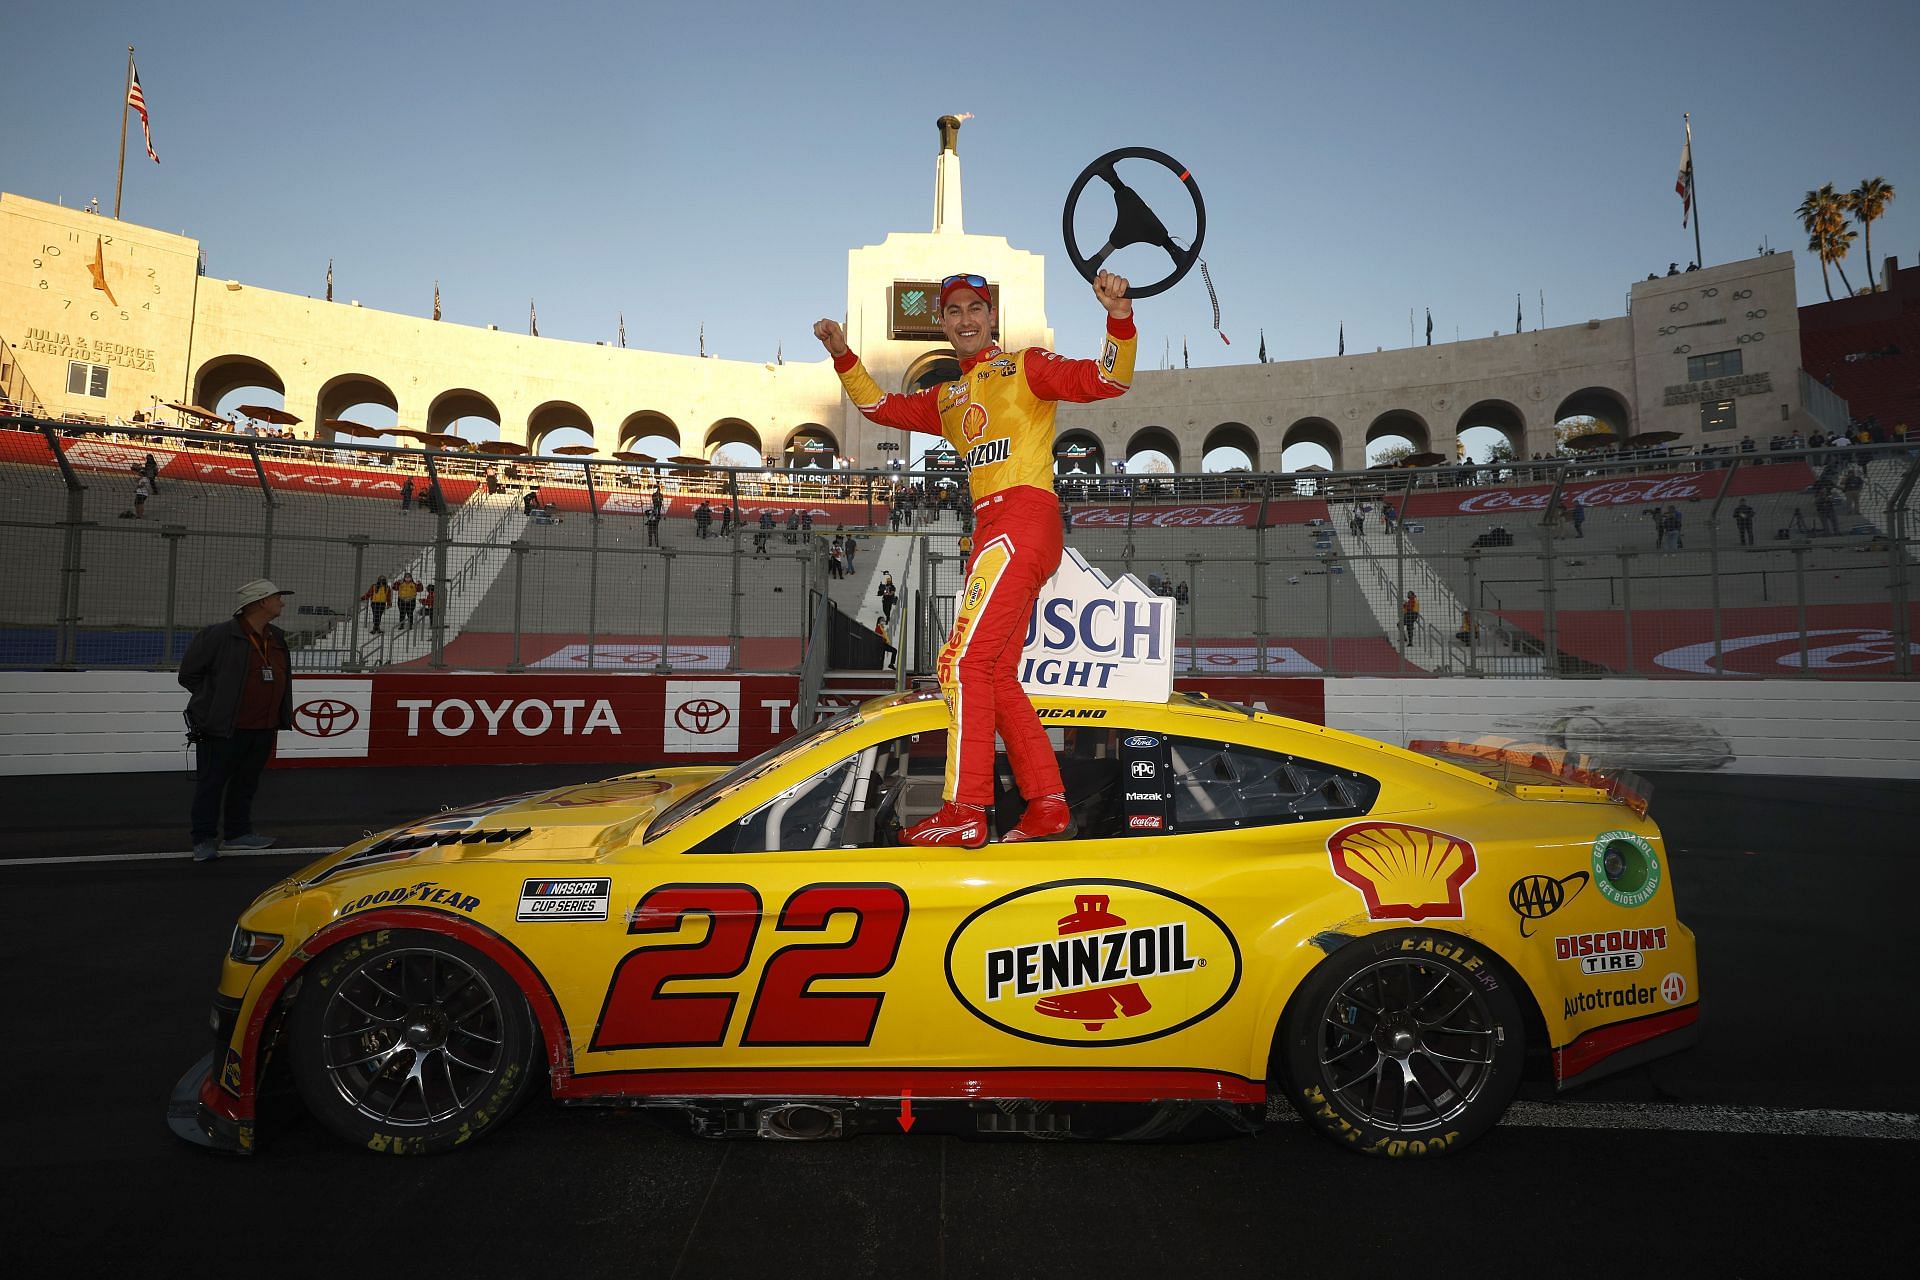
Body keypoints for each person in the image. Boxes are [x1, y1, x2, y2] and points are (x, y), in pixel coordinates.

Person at [817, 267, 1136, 846]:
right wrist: (843, 355)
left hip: (1022, 518)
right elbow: (880, 408)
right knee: (995, 676)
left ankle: (966, 809)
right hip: (994, 526)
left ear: (991, 317)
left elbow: (1109, 380)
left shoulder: (1027, 366)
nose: (965, 319)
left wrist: (1118, 316)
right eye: (954, 312)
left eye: (975, 309)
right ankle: (1047, 804)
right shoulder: (946, 397)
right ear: (942, 323)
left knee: (960, 665)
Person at [178, 578, 295, 862]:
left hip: (262, 726)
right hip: (223, 727)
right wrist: (216, 703)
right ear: (261, 602)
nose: (282, 602)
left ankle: (238, 833)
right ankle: (204, 838)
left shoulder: (276, 637)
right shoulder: (218, 636)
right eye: (277, 597)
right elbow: (189, 675)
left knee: (246, 782)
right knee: (212, 783)